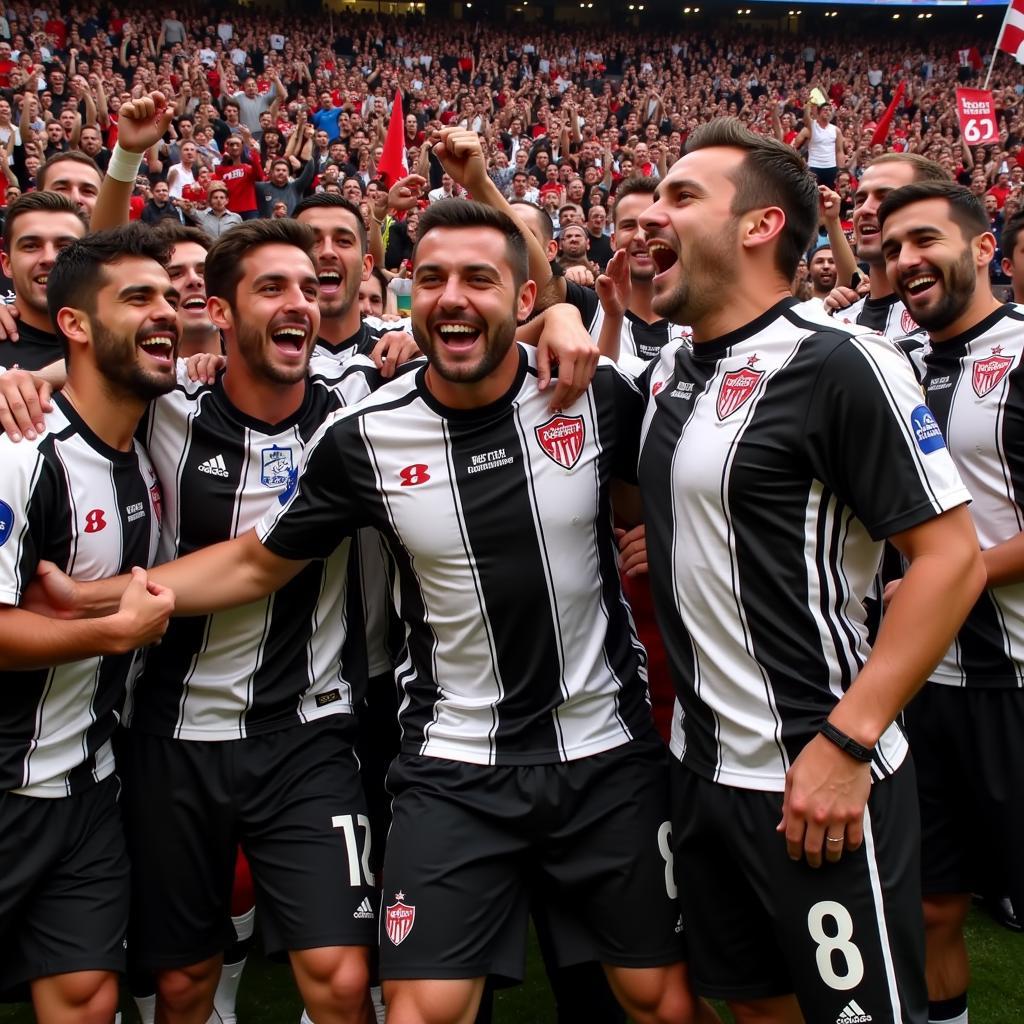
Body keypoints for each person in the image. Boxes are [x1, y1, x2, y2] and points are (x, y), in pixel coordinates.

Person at [31, 200, 711, 1024]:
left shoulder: (591, 392)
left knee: (659, 1002)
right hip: (447, 760)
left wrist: (570, 311)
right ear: (408, 292)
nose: (452, 296)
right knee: (408, 1009)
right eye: (430, 278)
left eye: (478, 280)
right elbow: (252, 560)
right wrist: (98, 591)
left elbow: (668, 500)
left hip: (602, 749)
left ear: (523, 301)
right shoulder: (360, 433)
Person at [633, 117, 984, 1024]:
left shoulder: (841, 361)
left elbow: (949, 562)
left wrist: (847, 743)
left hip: (818, 776)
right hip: (704, 770)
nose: (644, 219)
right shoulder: (672, 366)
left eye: (680, 197)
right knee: (752, 1010)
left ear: (759, 226)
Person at [0, 223, 176, 1024]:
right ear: (72, 324)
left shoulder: (147, 456)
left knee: (85, 999)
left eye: (170, 296)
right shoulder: (20, 451)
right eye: (137, 297)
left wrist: (87, 604)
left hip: (90, 790)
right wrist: (105, 632)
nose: (165, 311)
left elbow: (123, 589)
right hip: (6, 785)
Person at [878, 180, 1024, 1024]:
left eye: (923, 240)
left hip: (1015, 682)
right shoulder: (890, 361)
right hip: (922, 689)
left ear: (981, 248)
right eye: (892, 248)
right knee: (934, 906)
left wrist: (948, 576)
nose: (903, 262)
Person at [825, 154, 950, 336]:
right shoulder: (838, 320)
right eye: (860, 200)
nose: (864, 209)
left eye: (885, 198)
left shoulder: (956, 319)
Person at [0, 192, 86, 377]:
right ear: (7, 264)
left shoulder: (118, 346)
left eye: (65, 247)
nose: (49, 258)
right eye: (31, 245)